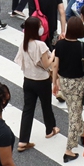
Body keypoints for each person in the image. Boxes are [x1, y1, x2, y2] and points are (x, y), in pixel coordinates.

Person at [53, 15, 84, 162]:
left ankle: (82, 133)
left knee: (73, 109)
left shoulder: (60, 44)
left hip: (64, 82)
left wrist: (54, 82)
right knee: (74, 115)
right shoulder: (82, 47)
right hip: (77, 83)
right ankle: (69, 149)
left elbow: (55, 65)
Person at [15, 15, 57, 151]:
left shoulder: (24, 44)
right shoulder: (41, 45)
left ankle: (23, 140)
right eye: (40, 26)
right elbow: (46, 64)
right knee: (46, 106)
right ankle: (50, 130)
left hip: (28, 80)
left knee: (28, 109)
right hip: (42, 80)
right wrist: (53, 55)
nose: (41, 28)